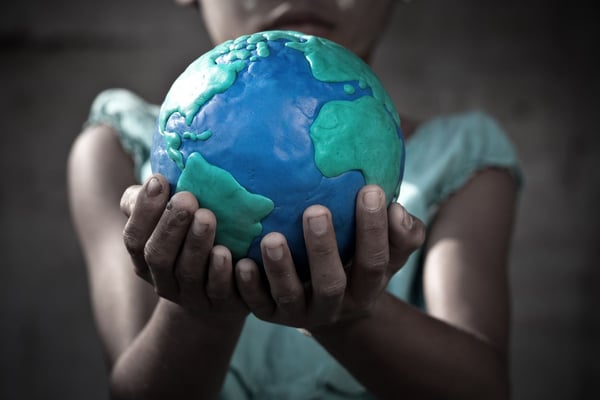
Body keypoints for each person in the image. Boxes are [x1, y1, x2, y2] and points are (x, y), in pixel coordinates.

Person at [68, 1, 521, 399]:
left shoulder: (464, 160)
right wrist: (201, 316)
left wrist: (350, 315)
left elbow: (482, 386)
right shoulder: (118, 149)